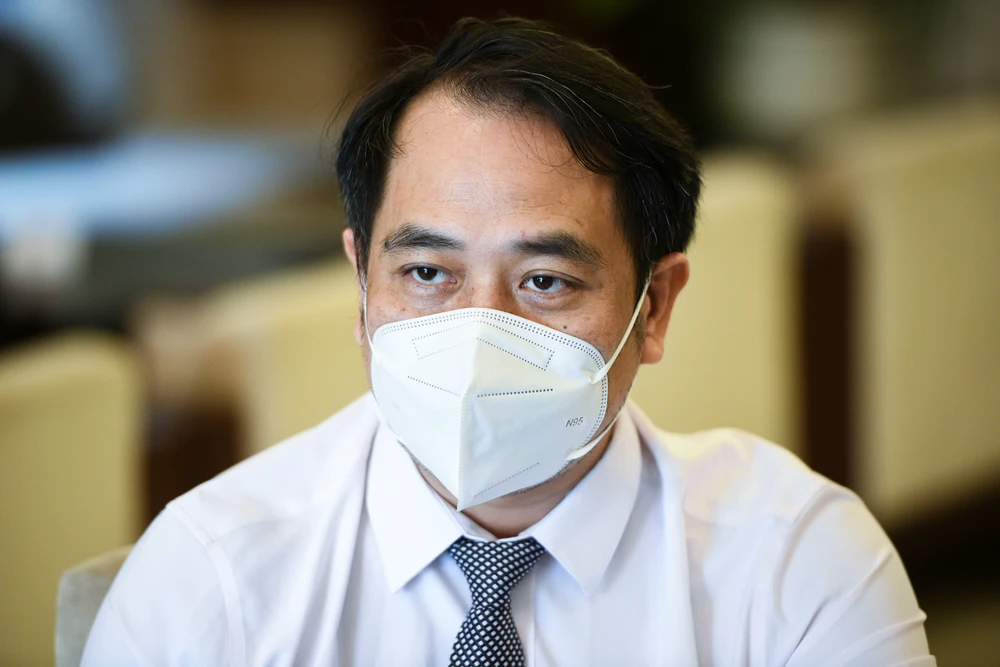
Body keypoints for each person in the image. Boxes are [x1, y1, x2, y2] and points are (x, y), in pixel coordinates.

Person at [81, 17, 934, 667]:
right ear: (361, 287)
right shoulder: (213, 579)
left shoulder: (794, 565)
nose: (478, 330)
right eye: (426, 272)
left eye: (545, 281)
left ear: (655, 307)